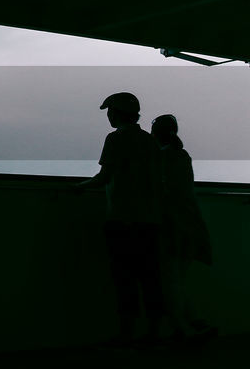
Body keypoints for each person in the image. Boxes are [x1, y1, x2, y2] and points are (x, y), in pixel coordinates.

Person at [75, 92, 164, 347]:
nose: (108, 117)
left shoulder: (115, 139)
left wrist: (80, 186)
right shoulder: (150, 142)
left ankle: (127, 333)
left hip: (122, 219)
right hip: (149, 221)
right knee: (150, 278)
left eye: (109, 112)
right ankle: (154, 332)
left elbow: (104, 177)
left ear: (116, 114)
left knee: (124, 278)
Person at [150, 114, 216, 341]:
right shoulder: (182, 156)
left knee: (170, 281)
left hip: (171, 225)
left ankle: (183, 327)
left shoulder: (161, 158)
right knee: (177, 279)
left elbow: (161, 191)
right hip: (190, 224)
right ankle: (195, 322)